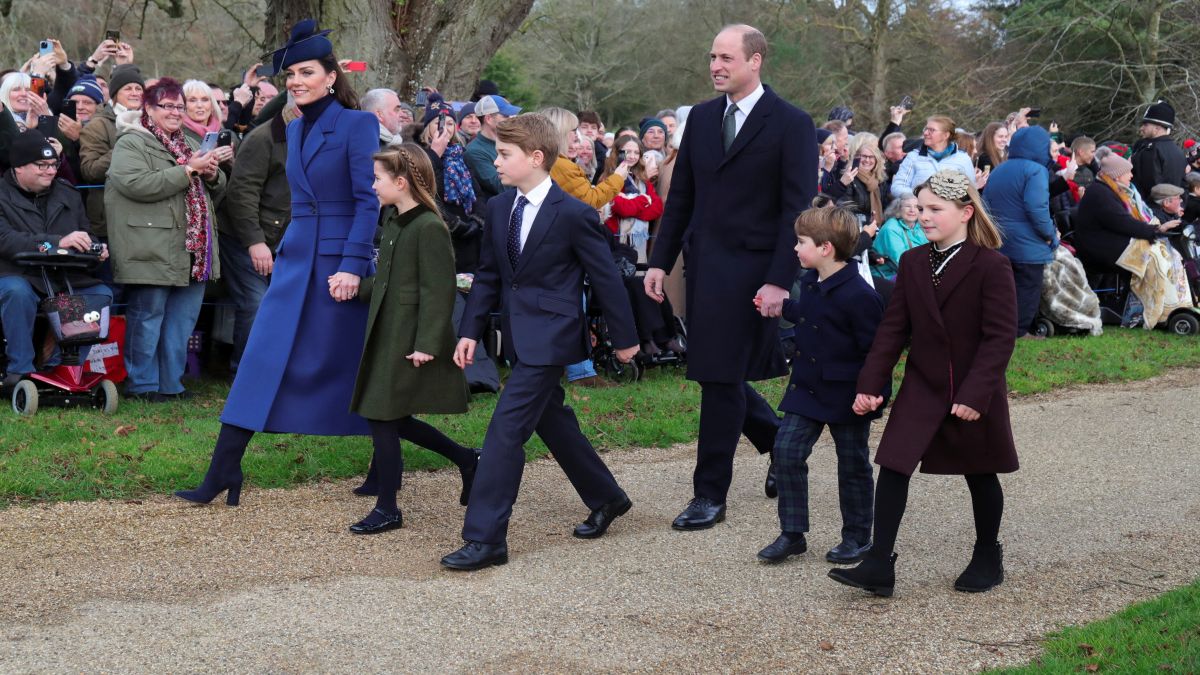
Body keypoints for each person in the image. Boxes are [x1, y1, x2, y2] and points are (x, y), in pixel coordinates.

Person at [174, 19, 383, 505]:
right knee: (260, 361)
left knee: (356, 369)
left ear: (332, 74)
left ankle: (405, 462)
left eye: (306, 72)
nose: (296, 81)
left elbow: (367, 201)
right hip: (295, 259)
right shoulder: (292, 125)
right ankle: (222, 471)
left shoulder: (358, 124)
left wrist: (352, 265)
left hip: (338, 266)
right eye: (290, 74)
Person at [443, 113, 639, 571]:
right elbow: (490, 275)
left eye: (505, 154)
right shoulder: (498, 208)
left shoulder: (572, 213)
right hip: (516, 333)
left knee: (504, 433)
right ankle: (608, 497)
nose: (496, 161)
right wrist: (469, 331)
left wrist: (626, 339)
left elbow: (606, 278)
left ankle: (486, 538)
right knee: (552, 420)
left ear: (535, 158)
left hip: (552, 337)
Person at [644, 24, 816, 528]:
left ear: (755, 60)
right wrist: (659, 261)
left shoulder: (791, 123)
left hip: (758, 272)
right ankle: (780, 443)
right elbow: (681, 201)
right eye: (712, 57)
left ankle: (709, 494)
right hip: (705, 269)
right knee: (721, 372)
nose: (716, 66)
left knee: (718, 377)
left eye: (726, 57)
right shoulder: (699, 118)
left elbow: (796, 210)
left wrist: (780, 279)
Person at [829, 169, 1018, 597]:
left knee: (980, 472)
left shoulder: (991, 264)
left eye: (936, 209)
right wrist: (871, 383)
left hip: (971, 388)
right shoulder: (913, 262)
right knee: (893, 465)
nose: (924, 215)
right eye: (921, 207)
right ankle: (879, 562)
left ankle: (988, 552)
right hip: (923, 383)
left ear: (966, 212)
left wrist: (976, 394)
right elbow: (892, 330)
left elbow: (999, 337)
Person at [346, 144, 478, 534]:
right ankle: (466, 459)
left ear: (400, 182)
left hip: (408, 336)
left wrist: (427, 343)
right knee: (392, 416)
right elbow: (390, 278)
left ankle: (388, 507)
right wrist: (356, 287)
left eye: (378, 179)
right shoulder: (394, 220)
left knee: (383, 416)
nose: (373, 186)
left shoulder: (428, 227)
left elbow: (439, 292)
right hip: (387, 330)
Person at [756, 206, 883, 565]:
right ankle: (792, 533)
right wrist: (785, 308)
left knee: (853, 463)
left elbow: (877, 350)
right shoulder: (812, 281)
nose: (795, 249)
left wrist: (873, 393)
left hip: (848, 393)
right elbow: (815, 317)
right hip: (808, 387)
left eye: (801, 242)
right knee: (787, 451)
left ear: (825, 248)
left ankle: (857, 536)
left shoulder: (860, 294)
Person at [105, 77, 224, 401]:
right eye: (167, 106)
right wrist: (188, 170)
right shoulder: (132, 141)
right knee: (148, 318)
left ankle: (172, 384)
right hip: (150, 246)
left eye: (179, 107)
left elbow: (210, 187)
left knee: (180, 322)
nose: (175, 112)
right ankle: (143, 385)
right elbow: (134, 183)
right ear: (148, 107)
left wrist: (212, 173)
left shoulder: (186, 140)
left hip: (192, 249)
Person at [0, 131, 112, 388]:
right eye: (41, 165)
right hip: (15, 273)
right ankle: (21, 372)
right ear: (18, 167)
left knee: (101, 294)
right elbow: (5, 239)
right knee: (16, 292)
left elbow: (86, 232)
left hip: (63, 276)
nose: (50, 171)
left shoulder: (67, 193)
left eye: (53, 165)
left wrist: (94, 249)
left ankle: (63, 367)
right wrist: (55, 242)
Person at [217, 97, 298, 375]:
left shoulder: (314, 136)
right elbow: (241, 191)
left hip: (285, 237)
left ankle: (275, 370)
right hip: (244, 235)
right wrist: (255, 241)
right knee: (256, 302)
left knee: (284, 304)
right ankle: (246, 372)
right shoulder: (262, 139)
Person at [983, 125, 1058, 338]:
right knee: (1027, 288)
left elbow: (986, 202)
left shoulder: (1000, 168)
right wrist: (1049, 234)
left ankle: (1000, 328)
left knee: (1005, 288)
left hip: (999, 239)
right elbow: (1036, 208)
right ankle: (1019, 330)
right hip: (1027, 243)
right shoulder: (1036, 170)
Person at [1074, 153, 1176, 274]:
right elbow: (1122, 222)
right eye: (1128, 172)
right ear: (1117, 176)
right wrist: (1155, 230)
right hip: (1099, 249)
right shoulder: (1101, 194)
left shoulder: (1105, 189)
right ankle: (1156, 293)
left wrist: (1154, 231)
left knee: (1163, 252)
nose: (1131, 176)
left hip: (1104, 242)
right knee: (1157, 258)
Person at [79, 63, 144, 238]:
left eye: (139, 88)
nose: (135, 92)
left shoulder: (151, 122)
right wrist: (126, 142)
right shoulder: (97, 125)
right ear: (115, 95)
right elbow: (90, 171)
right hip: (109, 217)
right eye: (128, 88)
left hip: (144, 214)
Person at [890, 115, 975, 198]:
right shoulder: (913, 157)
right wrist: (920, 198)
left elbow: (971, 191)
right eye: (926, 129)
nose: (926, 133)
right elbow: (898, 186)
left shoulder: (962, 159)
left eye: (932, 130)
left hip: (950, 211)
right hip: (919, 210)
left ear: (946, 135)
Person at [464, 94, 521, 203]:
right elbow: (502, 186)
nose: (511, 119)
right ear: (489, 119)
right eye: (505, 115)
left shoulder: (509, 143)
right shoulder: (474, 151)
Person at [1131, 101, 1186, 202]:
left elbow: (1150, 187)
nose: (1141, 128)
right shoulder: (1178, 151)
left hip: (1150, 209)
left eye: (1146, 125)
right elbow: (1183, 185)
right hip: (1171, 209)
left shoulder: (1151, 150)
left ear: (1157, 128)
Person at [872, 192, 925, 280]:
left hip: (914, 271)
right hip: (888, 275)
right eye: (908, 206)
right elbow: (900, 261)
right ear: (899, 208)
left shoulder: (918, 226)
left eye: (916, 206)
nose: (912, 210)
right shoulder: (891, 228)